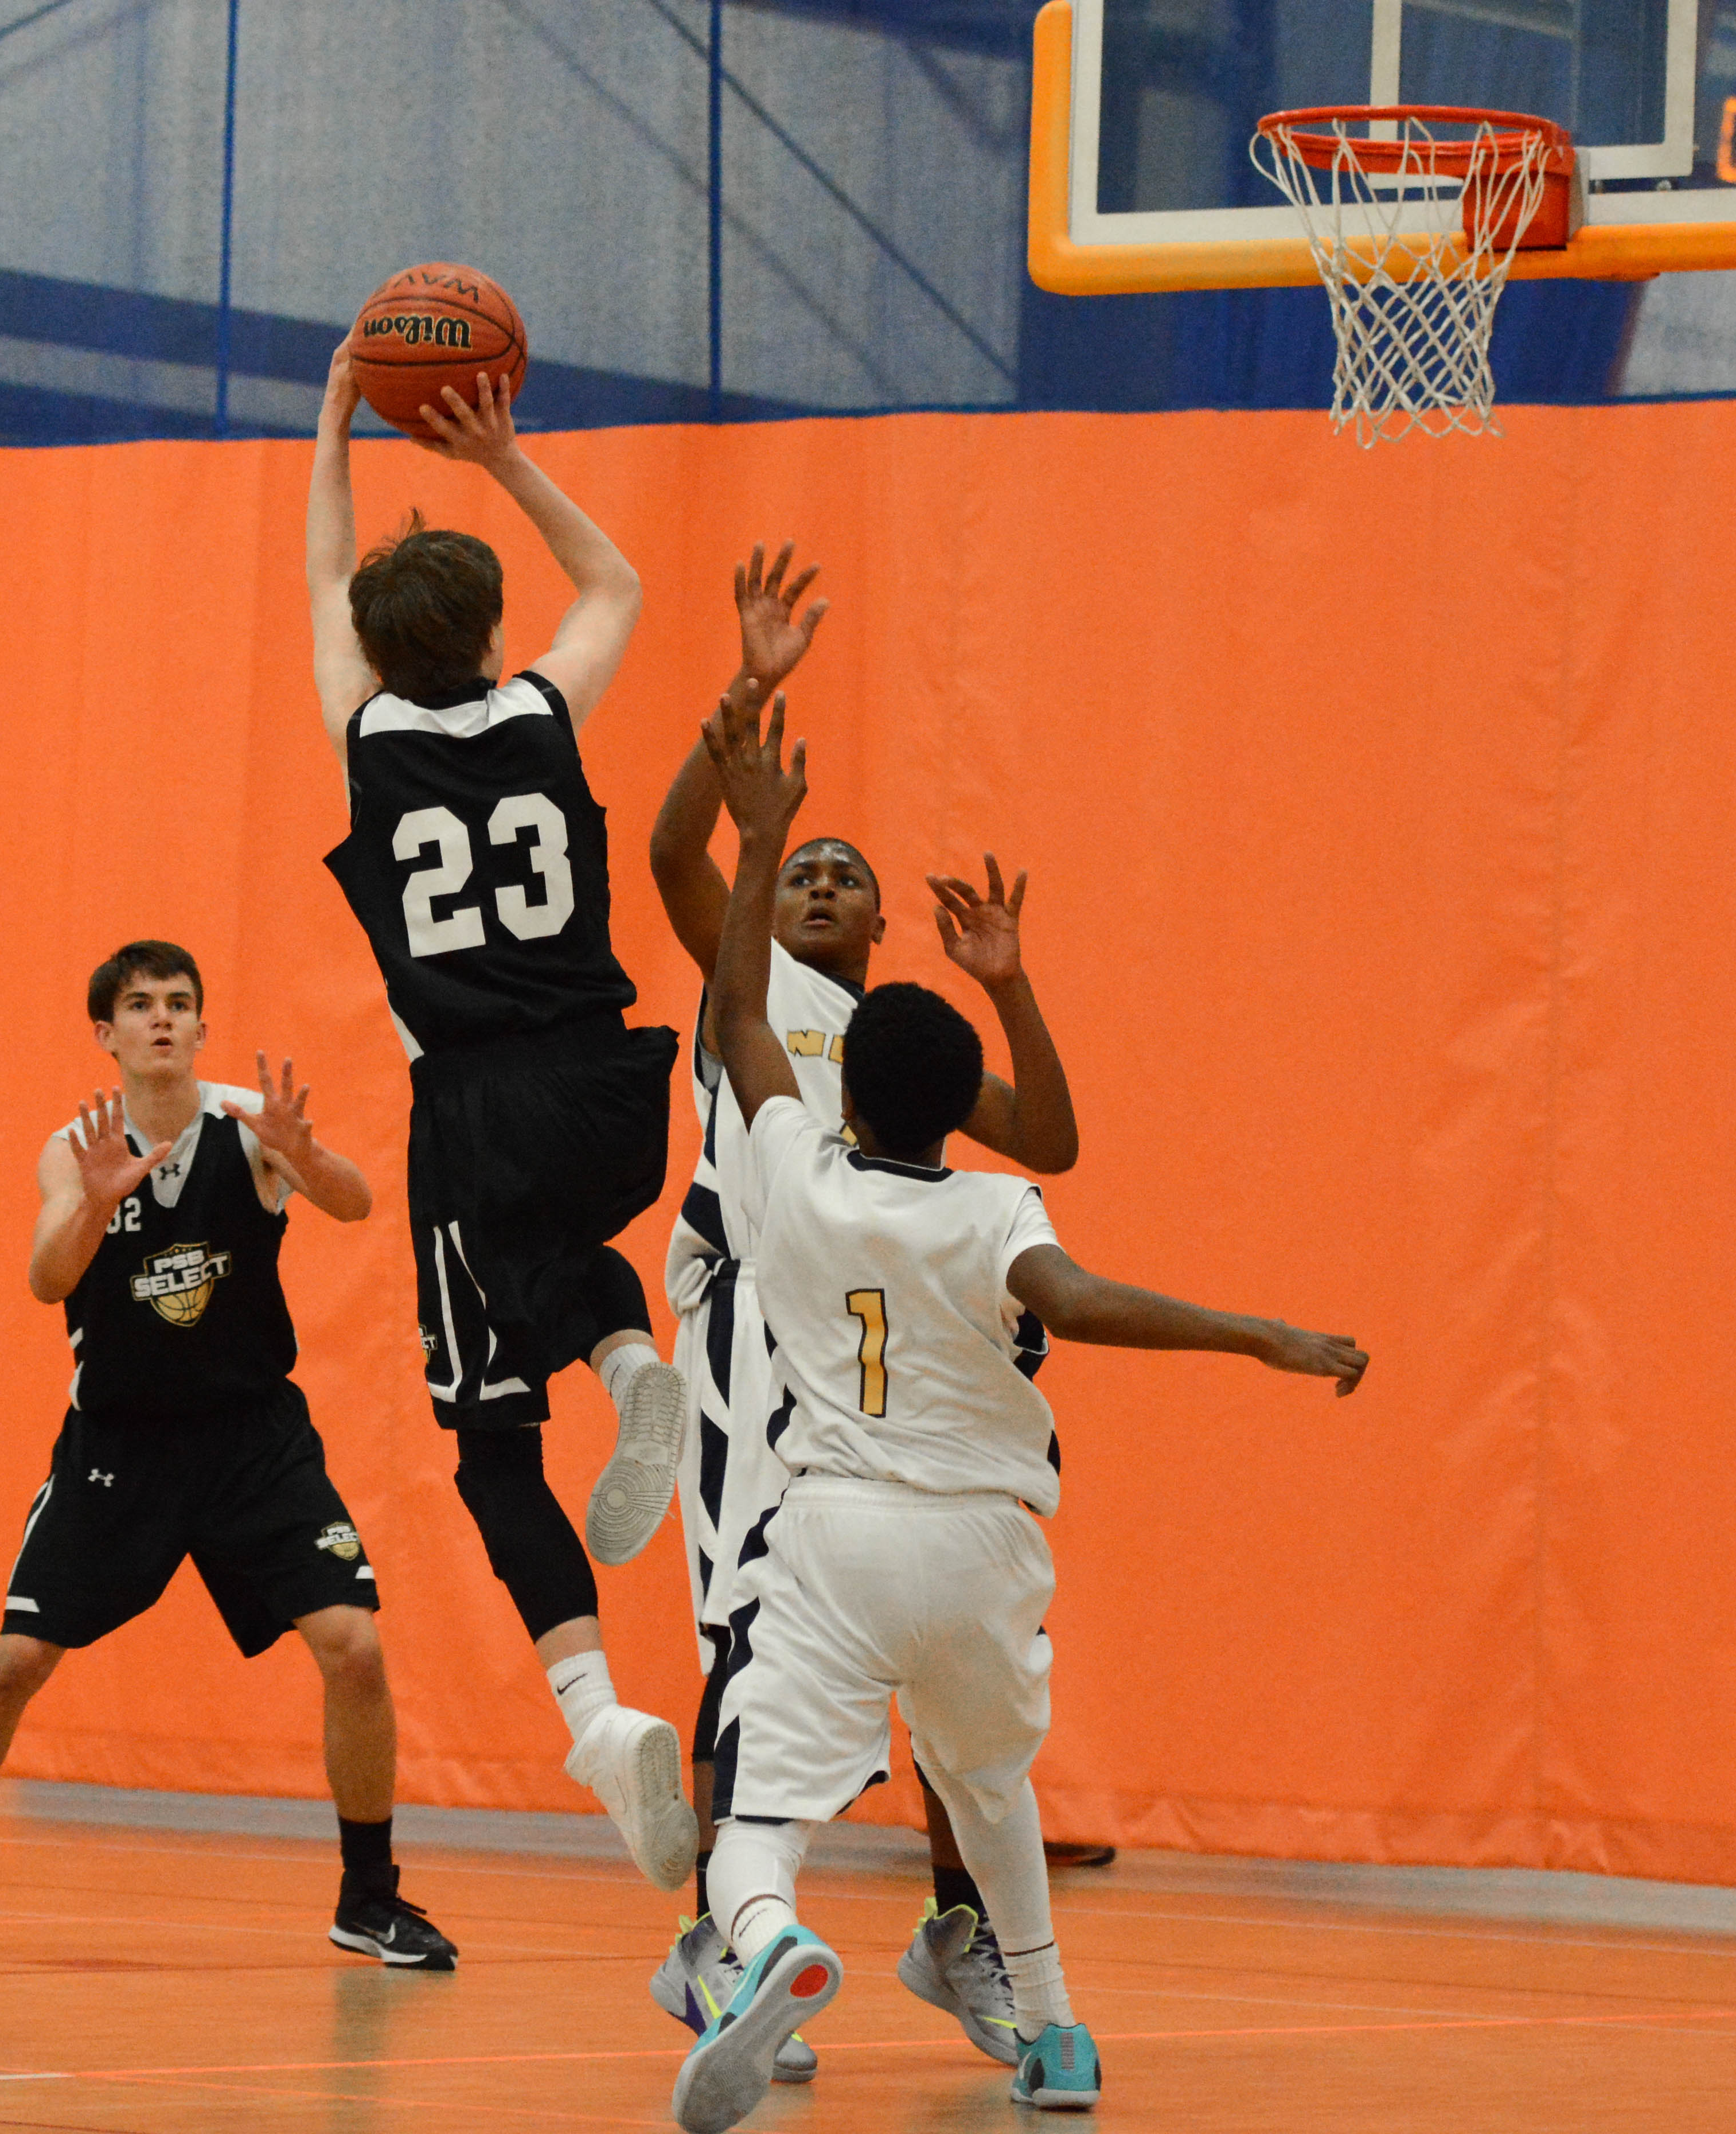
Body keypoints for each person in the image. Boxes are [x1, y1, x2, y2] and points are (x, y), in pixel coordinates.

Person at [670, 690, 1367, 2129]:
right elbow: (1087, 1298)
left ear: (838, 1085)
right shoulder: (995, 1206)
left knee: (762, 1811)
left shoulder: (791, 1176)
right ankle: (1054, 2040)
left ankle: (764, 1949)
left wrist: (759, 837)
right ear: (956, 1104)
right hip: (987, 1546)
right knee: (989, 1795)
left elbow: (737, 1016)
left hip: (839, 1532)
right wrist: (1261, 1337)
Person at [643, 546, 1082, 2080]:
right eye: (805, 864)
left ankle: (959, 1928)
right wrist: (750, 691)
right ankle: (726, 1942)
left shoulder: (899, 1043)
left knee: (943, 1632)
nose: (820, 879)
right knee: (753, 1639)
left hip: (898, 1330)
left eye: (850, 874)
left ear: (888, 927)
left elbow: (1043, 1141)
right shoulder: (743, 971)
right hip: (761, 1319)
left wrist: (1011, 984)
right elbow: (671, 850)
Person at [0, 943, 457, 1968]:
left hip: (253, 1441)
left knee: (354, 1644)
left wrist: (307, 1152)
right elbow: (45, 1280)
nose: (162, 1019)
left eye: (179, 1004)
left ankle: (368, 1895)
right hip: (121, 1449)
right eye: (140, 1005)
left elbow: (354, 1205)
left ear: (201, 1029)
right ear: (107, 1035)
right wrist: (92, 1199)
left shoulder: (243, 1129)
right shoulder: (73, 1149)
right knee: (16, 1663)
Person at [305, 343, 696, 1888]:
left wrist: (335, 423)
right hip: (607, 1076)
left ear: (379, 651)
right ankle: (626, 1350)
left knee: (487, 1447)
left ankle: (597, 1720)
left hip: (472, 1104)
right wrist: (505, 461)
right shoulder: (546, 711)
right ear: (487, 634)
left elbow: (331, 566)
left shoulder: (363, 740)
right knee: (571, 1246)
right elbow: (616, 587)